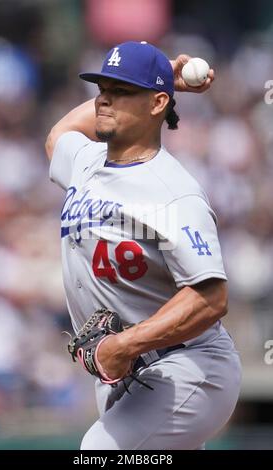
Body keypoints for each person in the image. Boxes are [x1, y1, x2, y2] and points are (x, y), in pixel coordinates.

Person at [45, 41, 242, 450]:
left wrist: (124, 345)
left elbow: (211, 297)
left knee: (99, 452)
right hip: (129, 372)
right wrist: (167, 75)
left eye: (121, 90)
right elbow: (59, 133)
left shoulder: (172, 193)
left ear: (156, 105)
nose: (103, 99)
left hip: (188, 366)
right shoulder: (86, 162)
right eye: (102, 87)